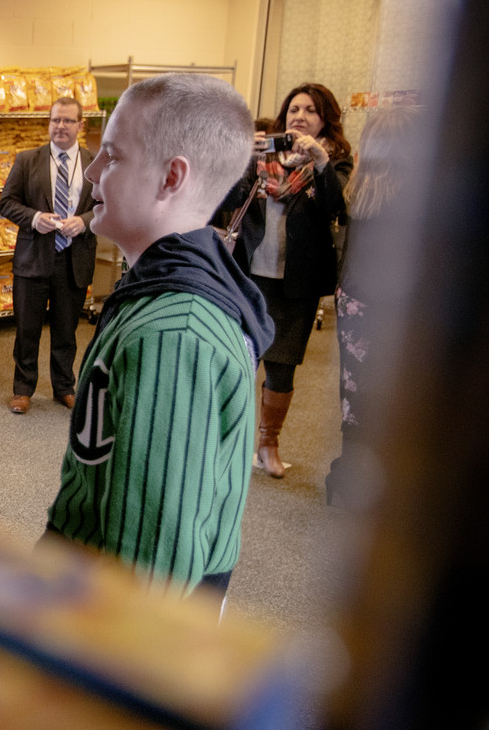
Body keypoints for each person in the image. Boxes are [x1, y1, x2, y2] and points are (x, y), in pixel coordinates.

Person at [40, 74, 274, 600]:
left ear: (171, 178)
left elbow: (152, 567)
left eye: (113, 157)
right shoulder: (165, 290)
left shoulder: (173, 333)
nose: (92, 172)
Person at [222, 82, 353, 478]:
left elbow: (338, 209)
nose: (299, 115)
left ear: (324, 119)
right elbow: (228, 201)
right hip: (250, 274)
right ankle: (228, 441)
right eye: (294, 108)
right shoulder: (265, 154)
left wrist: (320, 164)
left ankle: (267, 445)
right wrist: (243, 159)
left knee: (282, 368)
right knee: (240, 360)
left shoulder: (336, 161)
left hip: (296, 281)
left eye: (310, 110)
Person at [326, 106, 420, 508]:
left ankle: (346, 476)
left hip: (354, 299)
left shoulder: (360, 188)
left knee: (354, 389)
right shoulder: (414, 193)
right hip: (392, 305)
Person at [0, 96, 98, 414]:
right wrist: (34, 218)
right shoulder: (28, 160)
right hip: (33, 257)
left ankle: (64, 387)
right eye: (55, 120)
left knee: (66, 329)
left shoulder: (95, 164)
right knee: (27, 328)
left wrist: (83, 222)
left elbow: (107, 207)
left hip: (73, 258)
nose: (60, 126)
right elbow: (7, 202)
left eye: (68, 120)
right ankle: (23, 388)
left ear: (81, 125)